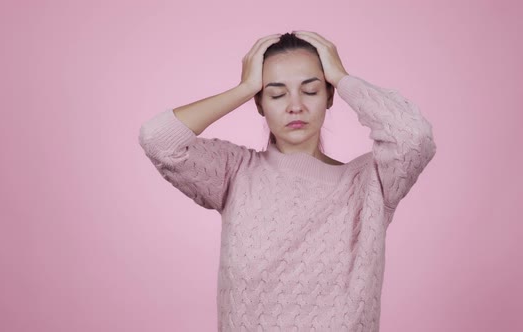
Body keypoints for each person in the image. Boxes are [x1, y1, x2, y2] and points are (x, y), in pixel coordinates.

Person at [138, 31, 436, 331]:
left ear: (329, 96)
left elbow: (413, 136)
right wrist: (243, 89)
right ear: (259, 104)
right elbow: (158, 139)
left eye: (311, 90)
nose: (295, 106)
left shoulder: (371, 183)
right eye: (276, 93)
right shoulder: (235, 171)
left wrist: (342, 78)